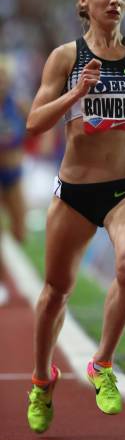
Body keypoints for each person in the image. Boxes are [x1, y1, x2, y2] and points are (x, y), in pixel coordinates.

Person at [26, 0, 125, 434]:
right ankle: (41, 380)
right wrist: (76, 94)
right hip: (74, 194)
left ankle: (103, 364)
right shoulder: (65, 57)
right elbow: (35, 121)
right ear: (83, 1)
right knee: (54, 294)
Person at [0, 59, 28, 305]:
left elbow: (39, 122)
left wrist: (47, 140)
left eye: (3, 78)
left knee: (20, 230)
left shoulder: (17, 106)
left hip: (14, 174)